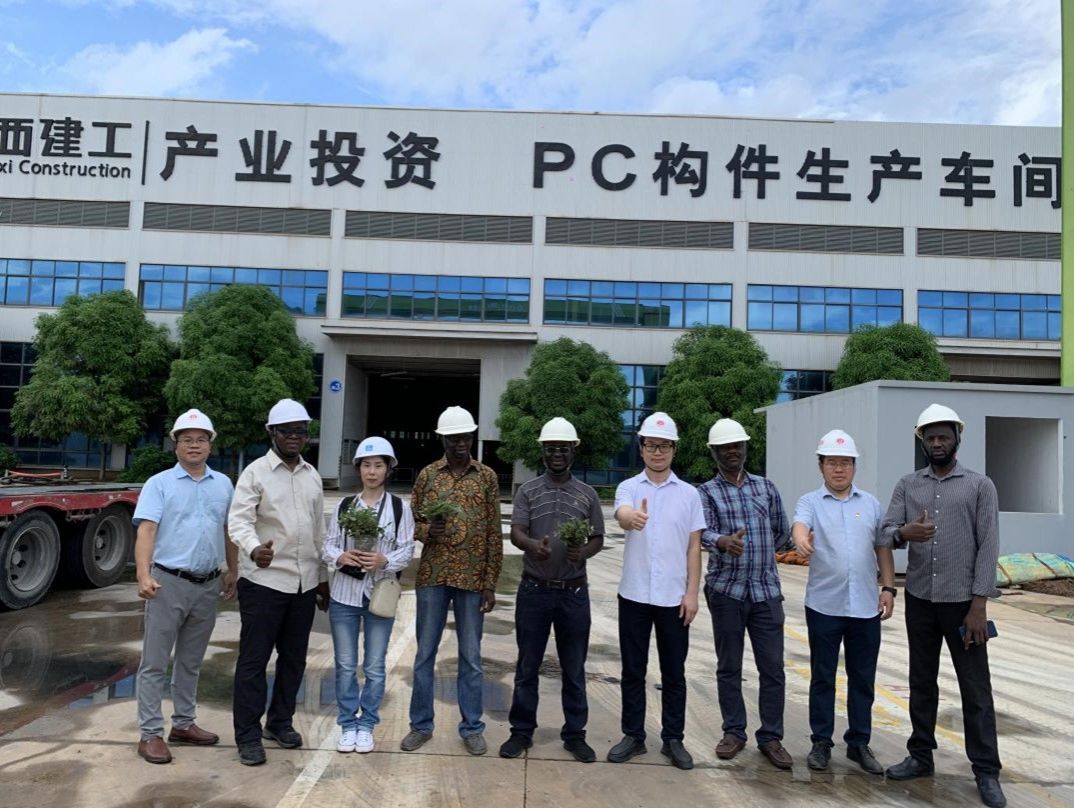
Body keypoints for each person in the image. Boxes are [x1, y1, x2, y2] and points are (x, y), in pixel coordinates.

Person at [881, 404, 1005, 808]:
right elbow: (884, 533)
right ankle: (920, 756)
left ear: (956, 440)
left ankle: (986, 771)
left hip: (964, 606)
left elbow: (989, 545)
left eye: (944, 437)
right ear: (922, 442)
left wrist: (979, 605)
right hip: (920, 601)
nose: (937, 443)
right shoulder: (907, 485)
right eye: (930, 437)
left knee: (975, 688)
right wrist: (905, 532)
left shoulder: (979, 486)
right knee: (921, 682)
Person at [132, 408, 237, 764]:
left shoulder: (223, 485)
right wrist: (143, 575)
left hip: (207, 584)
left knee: (191, 661)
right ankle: (150, 733)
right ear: (176, 445)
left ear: (210, 445)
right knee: (154, 662)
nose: (195, 445)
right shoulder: (159, 484)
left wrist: (232, 570)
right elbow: (147, 530)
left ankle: (183, 724)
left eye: (201, 439)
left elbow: (228, 530)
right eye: (187, 440)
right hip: (168, 583)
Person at [228, 398, 329, 767]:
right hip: (264, 582)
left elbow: (318, 531)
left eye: (300, 431)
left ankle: (280, 722)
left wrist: (322, 578)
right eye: (286, 431)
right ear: (272, 432)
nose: (294, 437)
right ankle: (248, 735)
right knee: (254, 661)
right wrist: (255, 549)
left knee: (294, 659)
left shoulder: (312, 475)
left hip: (303, 584)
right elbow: (238, 521)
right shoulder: (255, 473)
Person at [499, 417, 605, 763]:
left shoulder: (587, 494)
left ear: (573, 450)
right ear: (542, 451)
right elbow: (517, 531)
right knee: (527, 666)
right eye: (550, 448)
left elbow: (597, 537)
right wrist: (532, 545)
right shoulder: (528, 491)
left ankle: (575, 735)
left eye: (563, 448)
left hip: (573, 594)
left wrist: (582, 552)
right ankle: (521, 732)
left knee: (574, 668)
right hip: (534, 591)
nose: (556, 453)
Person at [791, 429, 895, 774]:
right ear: (820, 465)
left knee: (862, 678)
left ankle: (859, 743)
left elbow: (882, 546)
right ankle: (821, 742)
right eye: (832, 462)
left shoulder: (870, 504)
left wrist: (889, 587)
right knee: (823, 676)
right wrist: (801, 540)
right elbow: (799, 527)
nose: (839, 469)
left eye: (846, 463)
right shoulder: (810, 502)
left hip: (865, 606)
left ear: (854, 466)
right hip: (824, 605)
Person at [400, 405, 502, 756]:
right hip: (434, 575)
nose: (460, 443)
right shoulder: (428, 476)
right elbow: (410, 523)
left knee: (471, 657)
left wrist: (490, 582)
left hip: (472, 579)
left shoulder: (486, 477)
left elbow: (493, 532)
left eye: (465, 437)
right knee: (424, 654)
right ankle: (420, 725)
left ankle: (472, 727)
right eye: (454, 438)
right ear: (442, 439)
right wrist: (428, 531)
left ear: (472, 438)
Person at [607, 412, 703, 771]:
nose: (657, 452)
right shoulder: (630, 488)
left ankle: (673, 739)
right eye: (651, 445)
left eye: (664, 446)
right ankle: (633, 735)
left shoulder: (690, 495)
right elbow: (622, 513)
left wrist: (692, 593)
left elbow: (694, 546)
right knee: (633, 670)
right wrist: (630, 518)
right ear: (641, 448)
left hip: (673, 599)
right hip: (634, 595)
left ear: (674, 449)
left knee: (673, 672)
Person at [698, 418, 794, 770]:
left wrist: (762, 554)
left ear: (745, 448)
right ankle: (734, 732)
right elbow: (702, 531)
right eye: (724, 448)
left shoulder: (765, 487)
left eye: (737, 446)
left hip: (766, 592)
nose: (732, 452)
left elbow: (781, 532)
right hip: (727, 592)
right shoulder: (706, 492)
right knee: (729, 666)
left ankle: (771, 737)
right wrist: (722, 541)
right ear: (714, 453)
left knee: (773, 668)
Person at [322, 437, 415, 754]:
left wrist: (384, 560)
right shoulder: (345, 506)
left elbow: (407, 549)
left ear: (388, 469)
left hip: (380, 597)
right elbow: (328, 545)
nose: (372, 472)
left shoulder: (400, 509)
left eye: (378, 465)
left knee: (374, 666)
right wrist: (341, 556)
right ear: (358, 469)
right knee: (345, 665)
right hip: (344, 596)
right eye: (366, 465)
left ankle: (367, 724)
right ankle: (348, 724)